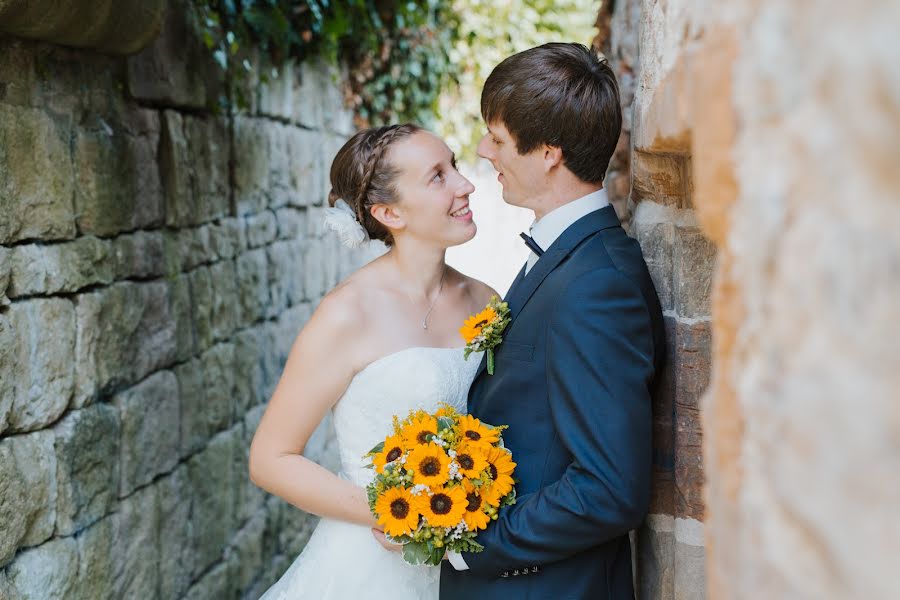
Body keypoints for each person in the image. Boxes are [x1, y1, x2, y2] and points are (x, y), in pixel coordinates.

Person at [438, 43, 666, 600]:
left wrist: (476, 543)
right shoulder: (572, 256)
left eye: (497, 137)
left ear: (547, 153)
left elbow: (610, 488)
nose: (484, 151)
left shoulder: (596, 285)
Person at [249, 123, 496, 600]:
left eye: (456, 168)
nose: (465, 185)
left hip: (466, 569)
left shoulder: (486, 302)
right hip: (367, 568)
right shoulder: (348, 312)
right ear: (389, 213)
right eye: (437, 177)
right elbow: (270, 459)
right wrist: (393, 510)